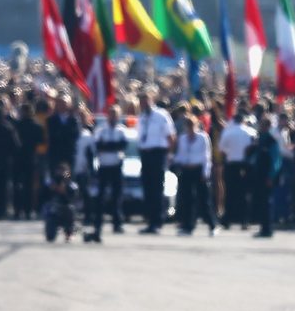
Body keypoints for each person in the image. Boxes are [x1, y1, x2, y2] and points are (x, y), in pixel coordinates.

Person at [84, 105, 129, 242]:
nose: (113, 117)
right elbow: (98, 146)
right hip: (104, 166)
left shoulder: (122, 130)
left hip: (116, 166)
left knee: (117, 196)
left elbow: (123, 145)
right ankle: (98, 223)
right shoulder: (101, 130)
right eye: (111, 114)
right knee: (100, 197)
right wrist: (112, 146)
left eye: (116, 114)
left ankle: (117, 223)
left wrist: (109, 146)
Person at [136, 92, 176, 235]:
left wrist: (170, 154)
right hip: (145, 154)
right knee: (147, 189)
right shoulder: (141, 117)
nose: (143, 104)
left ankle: (157, 221)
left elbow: (170, 136)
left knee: (157, 189)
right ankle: (150, 220)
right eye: (141, 102)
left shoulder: (161, 115)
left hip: (158, 154)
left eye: (145, 101)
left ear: (151, 100)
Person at [173, 114, 217, 236]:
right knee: (187, 199)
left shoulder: (203, 137)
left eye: (192, 125)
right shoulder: (182, 138)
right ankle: (188, 226)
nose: (190, 128)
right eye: (188, 125)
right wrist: (174, 161)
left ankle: (212, 225)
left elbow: (206, 156)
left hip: (198, 170)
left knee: (204, 199)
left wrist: (205, 172)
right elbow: (180, 155)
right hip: (186, 170)